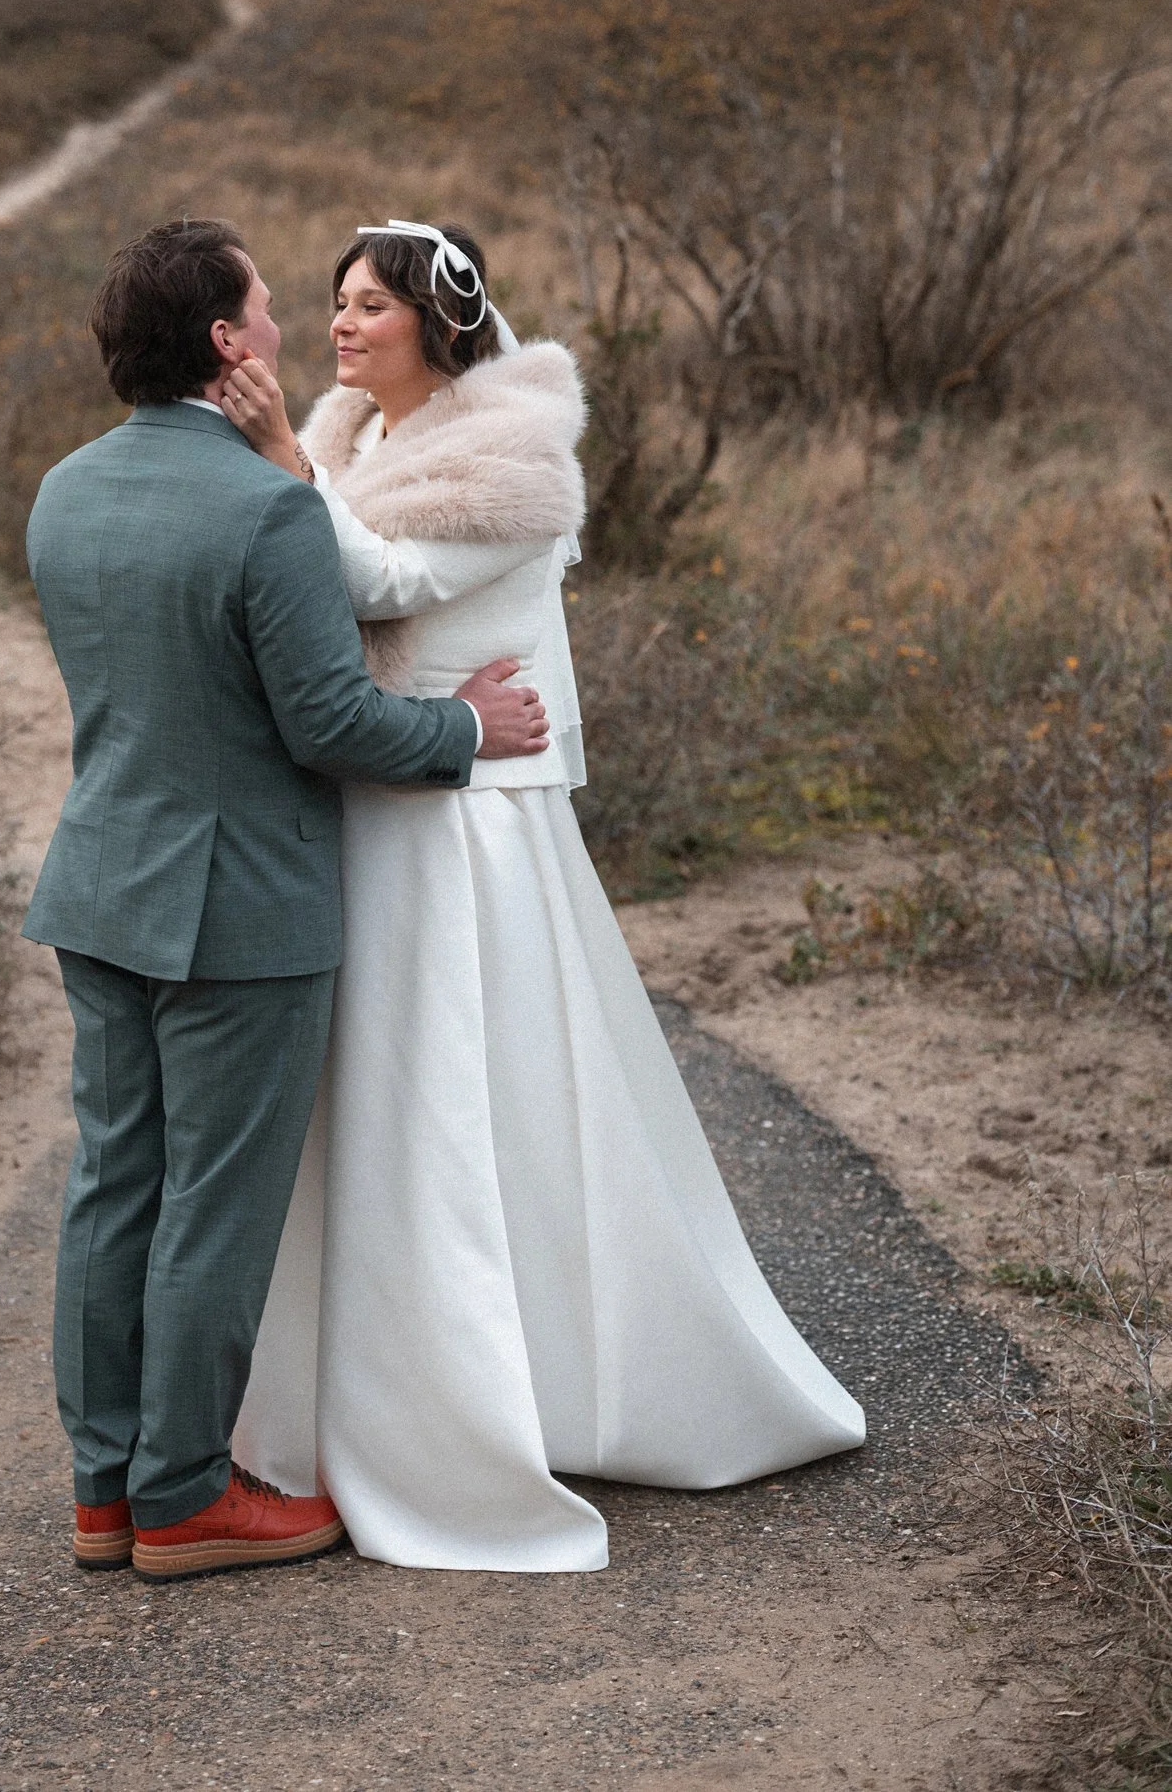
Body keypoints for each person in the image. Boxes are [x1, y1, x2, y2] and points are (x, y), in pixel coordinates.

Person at [221, 219, 866, 1572]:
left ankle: (533, 1391)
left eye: (370, 308)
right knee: (381, 1102)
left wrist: (278, 454)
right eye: (333, 305)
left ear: (439, 323)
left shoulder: (511, 460)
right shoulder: (354, 443)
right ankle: (366, 1382)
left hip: (466, 826)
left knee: (470, 1095)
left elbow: (385, 579)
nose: (342, 329)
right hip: (389, 791)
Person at [22, 218, 551, 1582]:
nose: (288, 326)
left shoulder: (64, 490)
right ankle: (185, 1496)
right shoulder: (265, 506)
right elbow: (329, 725)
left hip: (98, 886)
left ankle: (102, 1493)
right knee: (211, 1199)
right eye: (267, 306)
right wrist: (461, 734)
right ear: (222, 341)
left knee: (111, 1185)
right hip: (237, 909)